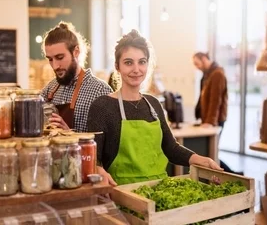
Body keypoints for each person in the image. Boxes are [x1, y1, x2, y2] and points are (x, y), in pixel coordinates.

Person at [87, 30, 222, 186]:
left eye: (142, 62)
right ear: (117, 66)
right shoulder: (102, 106)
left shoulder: (153, 104)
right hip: (121, 192)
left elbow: (170, 148)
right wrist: (99, 170)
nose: (136, 69)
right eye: (128, 62)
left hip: (159, 189)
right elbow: (92, 157)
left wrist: (202, 160)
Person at [41, 22, 113, 132]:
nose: (55, 66)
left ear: (76, 52)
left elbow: (107, 143)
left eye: (60, 57)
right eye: (50, 59)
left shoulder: (100, 91)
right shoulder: (49, 89)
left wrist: (69, 135)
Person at [193, 52, 243, 175]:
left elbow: (216, 100)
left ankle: (233, 174)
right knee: (211, 151)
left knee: (212, 152)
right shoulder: (208, 74)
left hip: (215, 120)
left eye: (197, 63)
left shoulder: (217, 74)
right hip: (210, 119)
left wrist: (210, 121)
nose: (196, 67)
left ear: (204, 59)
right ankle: (233, 173)